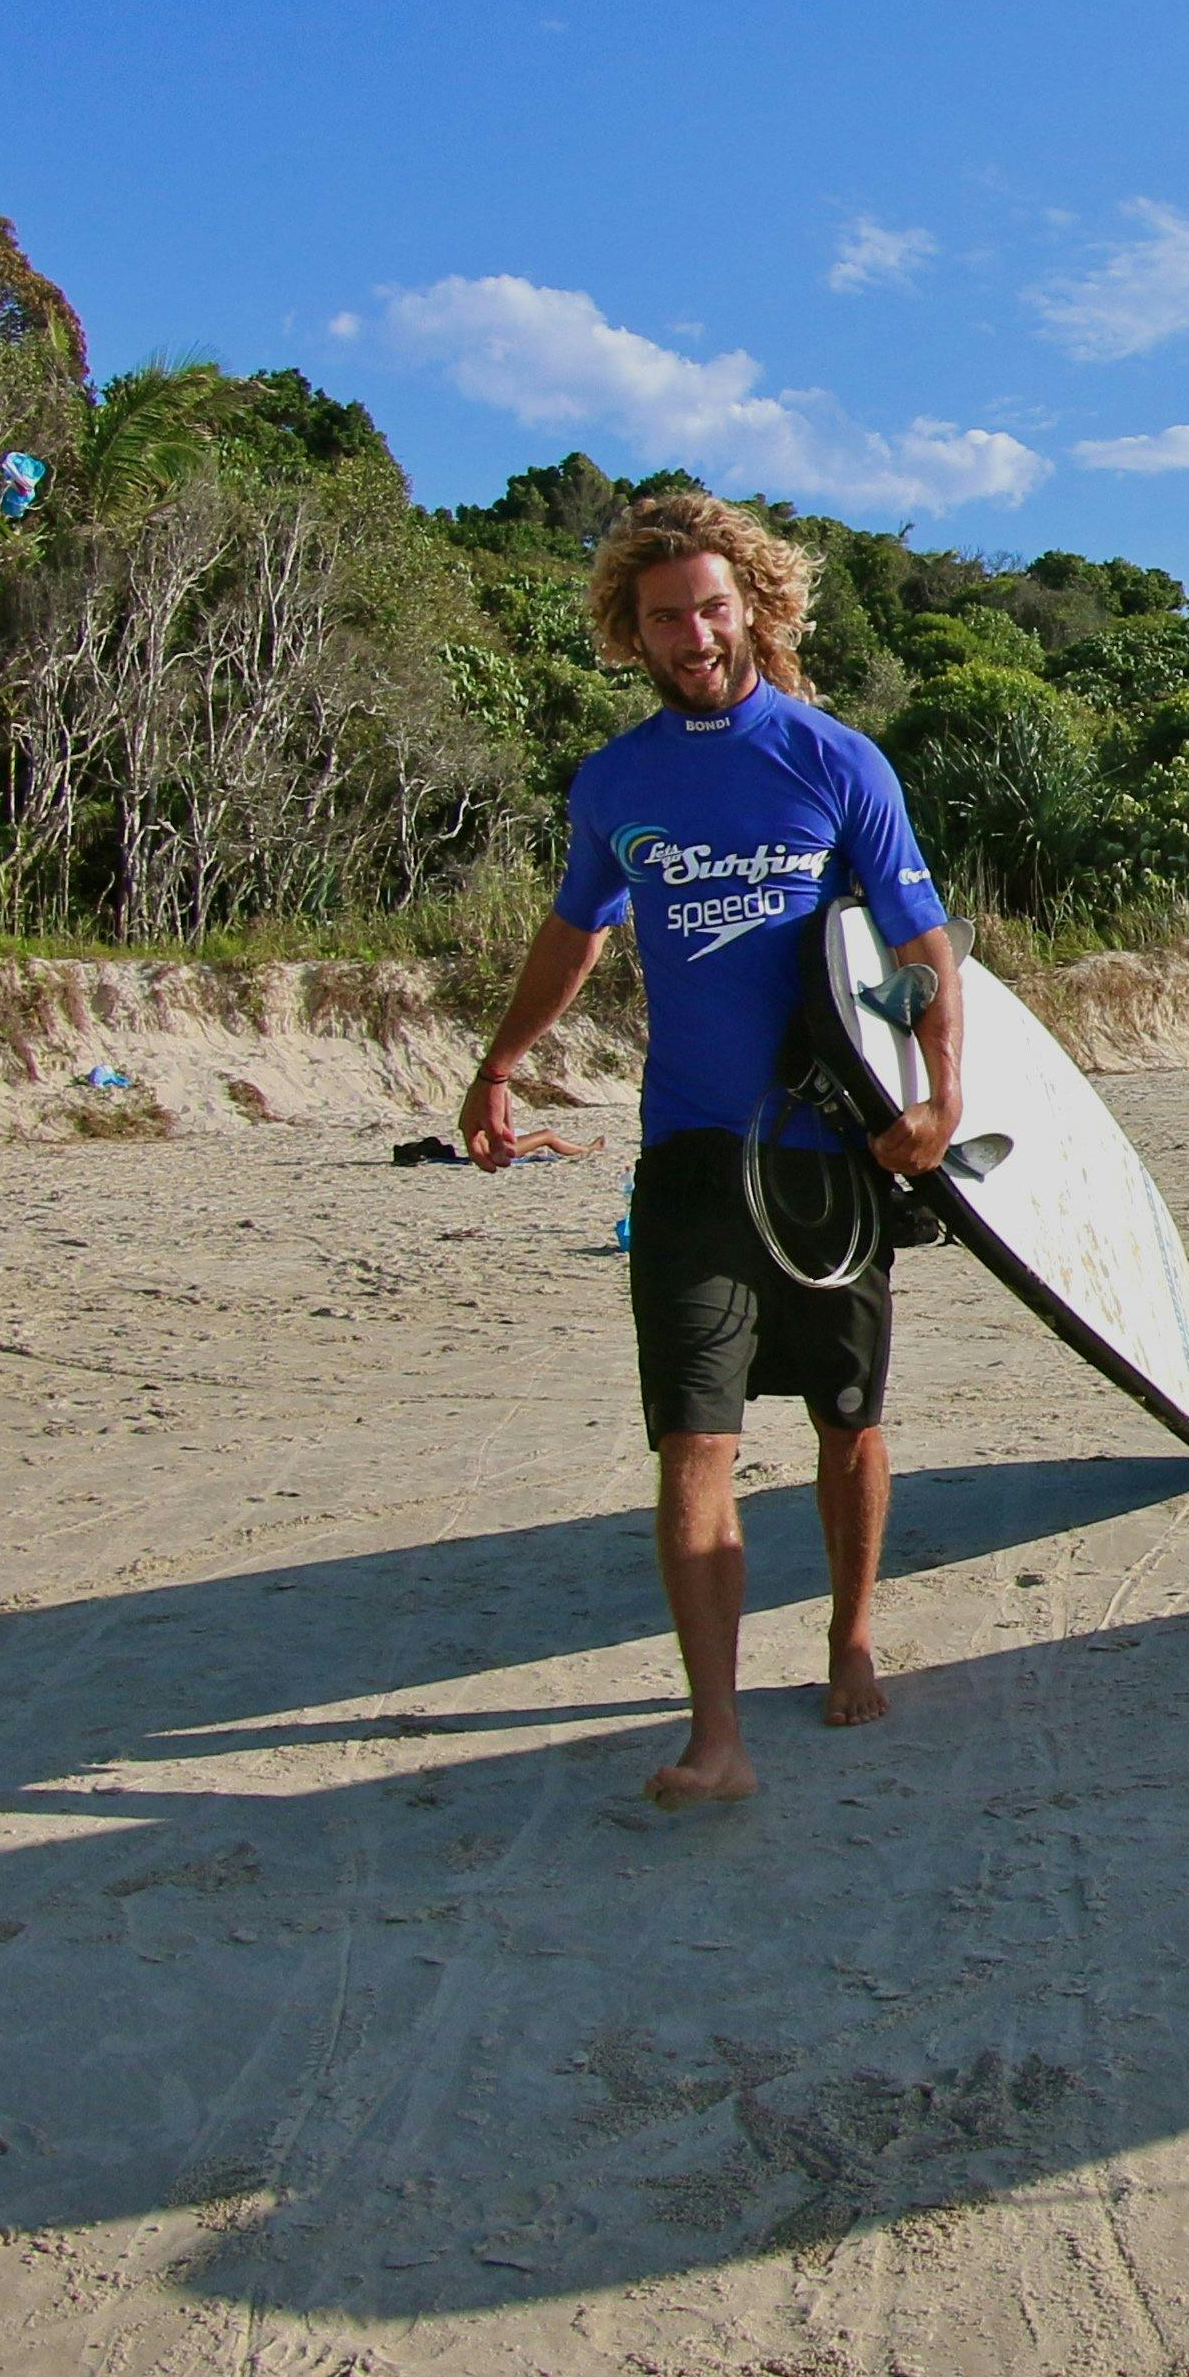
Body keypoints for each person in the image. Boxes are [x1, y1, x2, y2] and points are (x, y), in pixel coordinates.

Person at [467, 492, 960, 1807]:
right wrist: (501, 1059)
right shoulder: (618, 781)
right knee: (696, 1437)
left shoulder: (832, 758)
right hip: (687, 1156)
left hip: (825, 1155)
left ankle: (851, 1628)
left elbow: (921, 945)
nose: (692, 632)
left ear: (754, 605)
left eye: (709, 606)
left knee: (847, 1424)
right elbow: (574, 935)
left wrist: (937, 1098)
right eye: (664, 616)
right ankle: (716, 1731)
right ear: (631, 634)